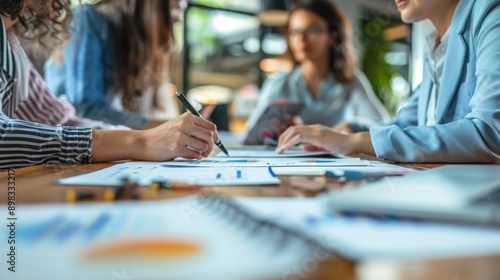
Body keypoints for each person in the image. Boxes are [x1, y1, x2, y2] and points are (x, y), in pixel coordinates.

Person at [0, 0, 217, 170]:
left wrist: (157, 136)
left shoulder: (12, 43)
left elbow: (60, 120)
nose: (183, 6)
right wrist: (140, 141)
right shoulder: (90, 21)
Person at [277, 0, 500, 163]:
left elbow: (490, 133)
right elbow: (405, 123)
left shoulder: (492, 14)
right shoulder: (437, 47)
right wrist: (351, 129)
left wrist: (355, 141)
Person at [246, 0, 389, 136]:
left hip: (338, 160)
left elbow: (384, 126)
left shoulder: (351, 81)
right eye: (294, 32)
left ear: (333, 36)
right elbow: (250, 134)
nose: (301, 38)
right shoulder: (277, 84)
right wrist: (274, 128)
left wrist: (351, 125)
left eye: (312, 30)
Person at [44, 0, 185, 129]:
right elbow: (84, 112)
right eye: (176, 5)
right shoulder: (88, 20)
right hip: (63, 143)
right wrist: (165, 128)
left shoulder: (130, 40)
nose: (181, 11)